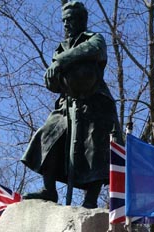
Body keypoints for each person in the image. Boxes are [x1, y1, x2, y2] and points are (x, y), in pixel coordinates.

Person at [21, 1, 123, 209]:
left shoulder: (94, 39)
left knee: (94, 148)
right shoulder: (60, 48)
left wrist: (60, 62)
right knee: (47, 136)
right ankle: (49, 190)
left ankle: (90, 199)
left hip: (95, 103)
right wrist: (51, 76)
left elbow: (93, 50)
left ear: (81, 20)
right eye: (64, 21)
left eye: (70, 19)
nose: (66, 24)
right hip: (67, 104)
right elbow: (54, 83)